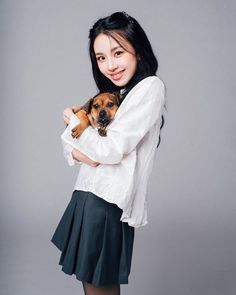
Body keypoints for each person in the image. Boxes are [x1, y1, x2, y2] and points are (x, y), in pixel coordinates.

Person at [51, 11, 167, 295]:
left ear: (137, 49)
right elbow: (81, 150)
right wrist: (79, 150)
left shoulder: (149, 88)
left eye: (118, 52)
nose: (110, 65)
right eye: (101, 58)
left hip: (108, 203)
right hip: (87, 194)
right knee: (90, 282)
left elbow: (110, 150)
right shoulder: (119, 94)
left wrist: (76, 123)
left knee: (100, 285)